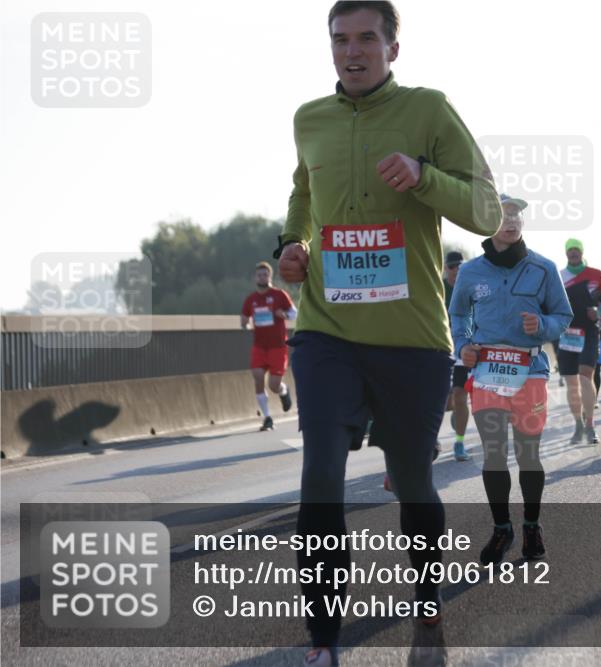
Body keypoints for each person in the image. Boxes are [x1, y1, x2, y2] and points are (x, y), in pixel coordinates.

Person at [274, 3, 502, 664]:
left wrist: (425, 177)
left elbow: (487, 206)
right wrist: (293, 244)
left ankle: (426, 595)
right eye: (340, 40)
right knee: (319, 475)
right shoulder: (308, 119)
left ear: (393, 48)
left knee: (412, 482)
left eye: (367, 38)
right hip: (326, 331)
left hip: (411, 337)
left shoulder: (429, 110)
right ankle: (323, 637)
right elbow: (301, 197)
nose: (353, 51)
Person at [450, 194, 572, 565]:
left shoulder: (544, 268)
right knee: (493, 453)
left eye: (517, 214)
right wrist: (464, 345)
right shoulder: (471, 272)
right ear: (488, 220)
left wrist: (544, 326)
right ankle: (502, 529)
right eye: (504, 214)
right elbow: (458, 316)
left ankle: (532, 525)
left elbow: (563, 315)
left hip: (530, 372)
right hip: (487, 373)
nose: (513, 220)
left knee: (528, 453)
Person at [558, 238, 601, 444]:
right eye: (570, 250)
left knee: (585, 376)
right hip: (567, 333)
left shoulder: (595, 274)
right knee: (572, 383)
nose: (573, 253)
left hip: (589, 331)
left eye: (576, 250)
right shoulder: (559, 277)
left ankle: (590, 425)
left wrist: (599, 311)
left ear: (582, 252)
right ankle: (578, 425)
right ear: (566, 253)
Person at [240, 261, 295, 431]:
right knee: (257, 376)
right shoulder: (251, 299)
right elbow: (245, 320)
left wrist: (284, 314)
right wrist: (245, 324)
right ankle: (267, 418)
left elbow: (295, 313)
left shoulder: (279, 295)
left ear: (270, 277)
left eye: (265, 274)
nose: (262, 277)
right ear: (255, 277)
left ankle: (283, 391)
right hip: (259, 346)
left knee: (273, 384)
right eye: (259, 275)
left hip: (278, 346)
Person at [444, 251, 471, 461]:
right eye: (451, 266)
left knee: (461, 396)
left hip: (462, 349)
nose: (455, 270)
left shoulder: (470, 288)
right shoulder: (438, 288)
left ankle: (459, 443)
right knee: (445, 401)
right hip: (441, 349)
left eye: (459, 266)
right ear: (446, 269)